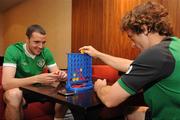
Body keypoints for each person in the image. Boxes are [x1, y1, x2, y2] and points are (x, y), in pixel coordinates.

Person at [79, 1, 180, 119]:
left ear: (145, 29)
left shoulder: (155, 54)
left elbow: (110, 100)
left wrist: (100, 87)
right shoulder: (173, 46)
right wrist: (98, 54)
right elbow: (134, 65)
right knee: (129, 111)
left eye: (131, 37)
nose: (133, 44)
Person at [2, 24, 68, 120]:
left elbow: (57, 74)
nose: (41, 46)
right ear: (27, 39)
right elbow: (6, 84)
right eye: (36, 42)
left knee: (65, 87)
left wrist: (62, 75)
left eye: (43, 42)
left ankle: (58, 118)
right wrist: (37, 78)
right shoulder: (13, 50)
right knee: (13, 95)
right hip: (20, 90)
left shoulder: (46, 52)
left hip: (39, 89)